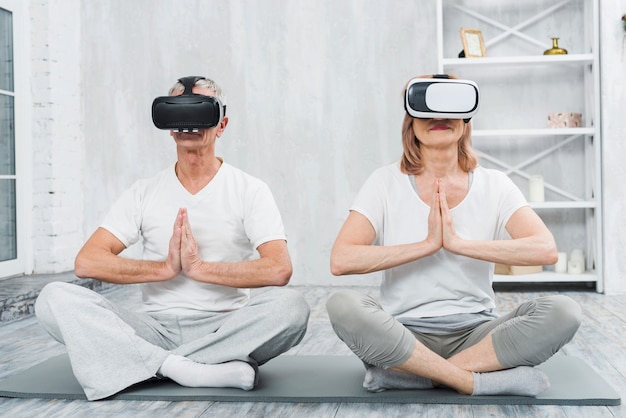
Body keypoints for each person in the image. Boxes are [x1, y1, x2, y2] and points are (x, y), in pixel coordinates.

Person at [35, 76, 310, 401]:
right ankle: (184, 367)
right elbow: (86, 262)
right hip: (153, 329)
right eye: (180, 112)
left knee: (292, 308)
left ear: (221, 125)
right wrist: (164, 269)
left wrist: (199, 269)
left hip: (227, 327)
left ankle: (146, 363)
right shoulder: (144, 192)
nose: (189, 123)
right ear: (169, 124)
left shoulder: (250, 190)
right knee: (53, 298)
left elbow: (279, 269)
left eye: (200, 112)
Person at [326, 74, 581, 397]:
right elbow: (341, 259)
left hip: (479, 334)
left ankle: (415, 376)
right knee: (342, 304)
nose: (439, 117)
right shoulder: (384, 182)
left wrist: (459, 245)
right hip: (403, 334)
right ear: (411, 121)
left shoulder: (495, 184)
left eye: (450, 108)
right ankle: (476, 380)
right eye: (427, 108)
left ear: (465, 120)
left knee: (564, 311)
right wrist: (427, 246)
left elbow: (545, 249)